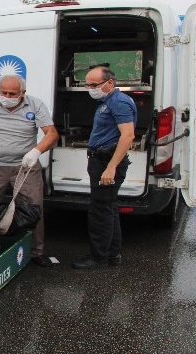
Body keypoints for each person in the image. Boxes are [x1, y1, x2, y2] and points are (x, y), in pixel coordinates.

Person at [0, 75, 59, 267]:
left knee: (34, 208)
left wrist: (36, 151)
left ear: (23, 93)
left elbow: (52, 133)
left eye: (12, 94)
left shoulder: (35, 105)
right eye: (3, 92)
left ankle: (35, 252)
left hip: (25, 168)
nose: (7, 96)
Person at [71, 66, 136, 269]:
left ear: (110, 83)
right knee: (108, 208)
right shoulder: (106, 101)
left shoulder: (119, 102)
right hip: (101, 160)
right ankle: (112, 254)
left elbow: (127, 136)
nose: (90, 88)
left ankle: (98, 258)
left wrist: (111, 167)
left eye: (94, 84)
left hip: (106, 162)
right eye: (87, 84)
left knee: (99, 211)